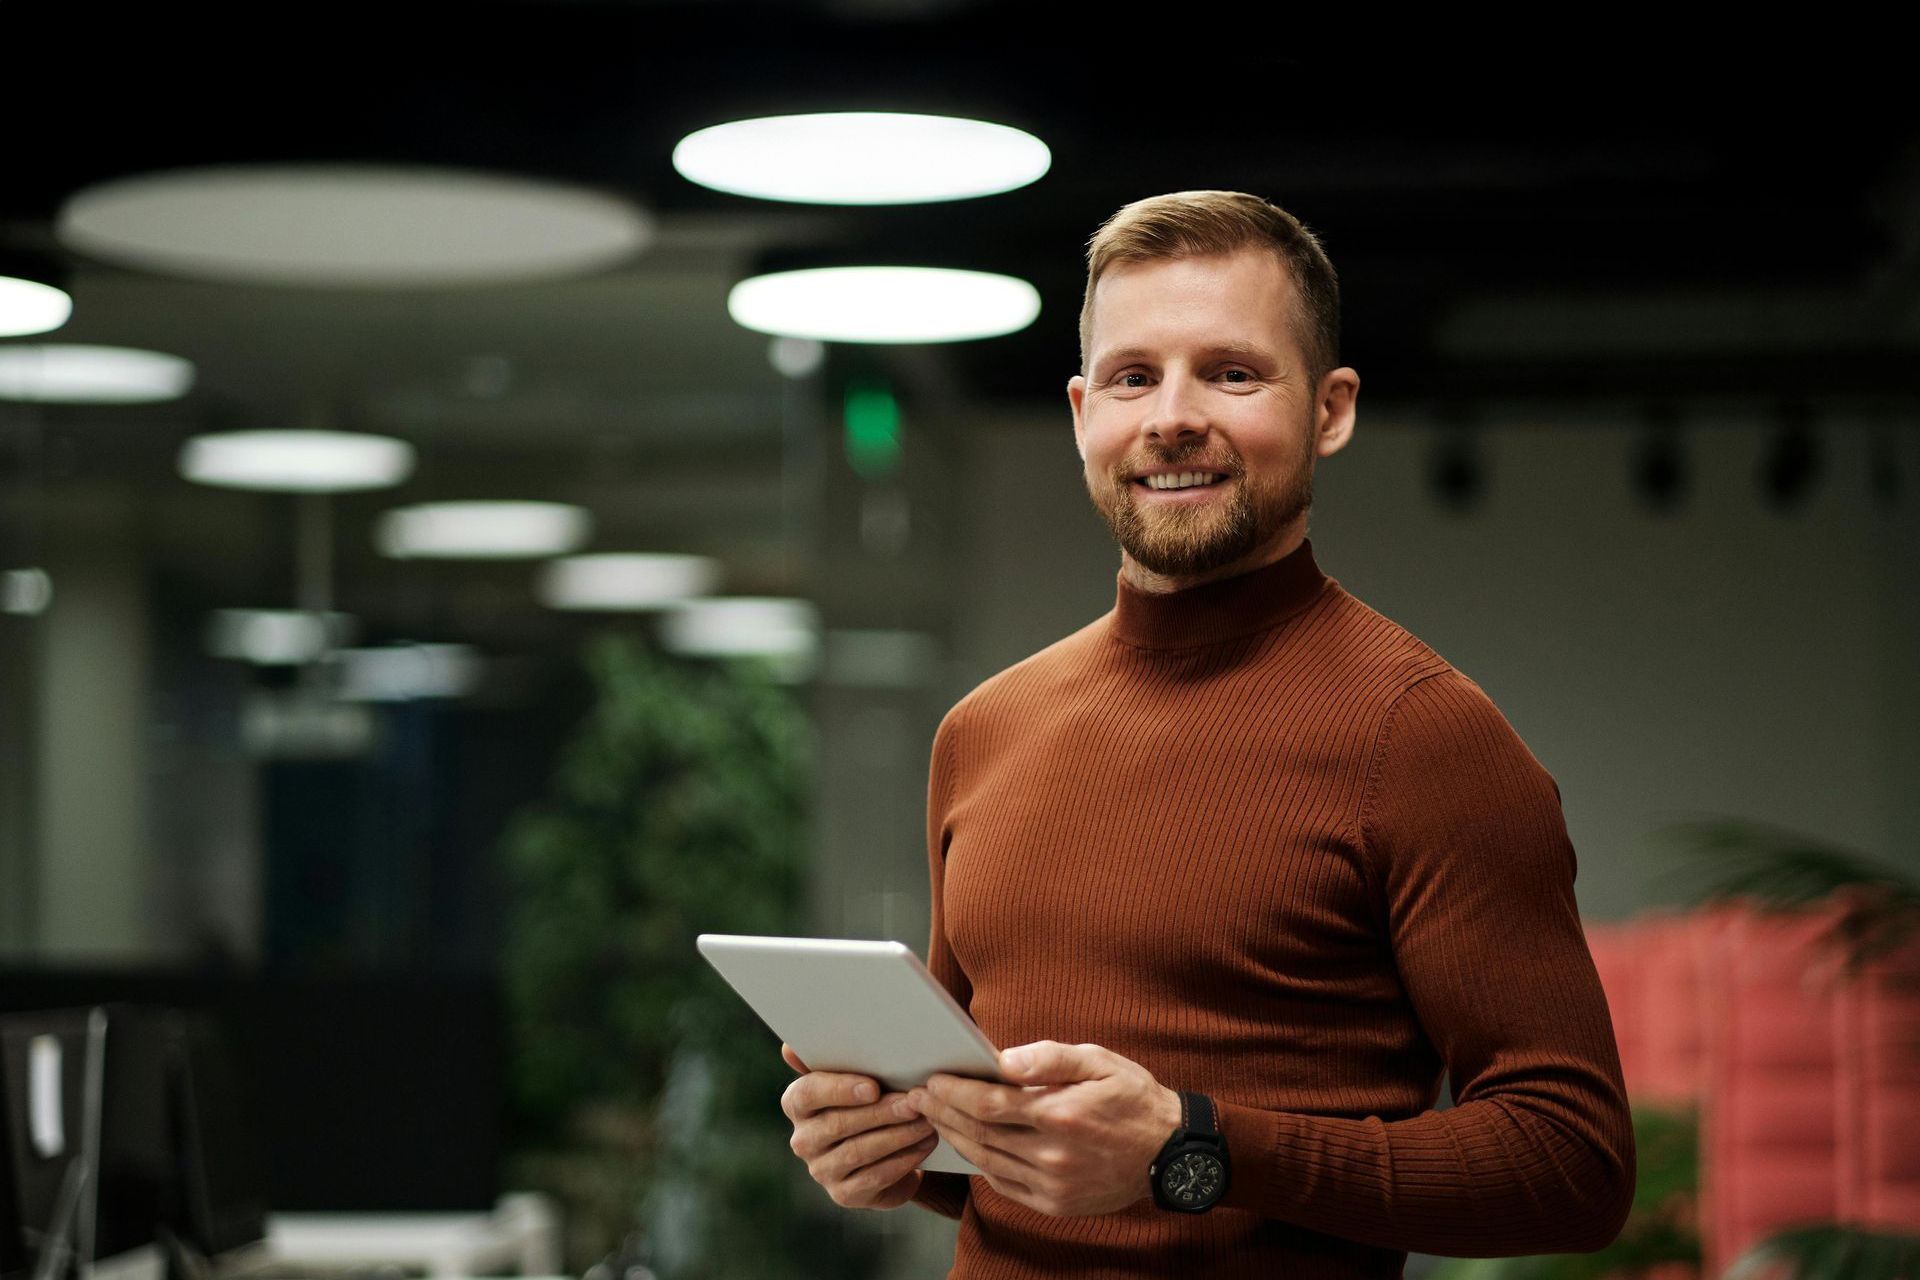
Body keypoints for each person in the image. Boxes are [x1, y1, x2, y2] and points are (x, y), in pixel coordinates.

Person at [779, 191, 1635, 1278]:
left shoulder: (1423, 736)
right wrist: (889, 1147)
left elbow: (1575, 1165)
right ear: (1084, 410)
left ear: (1330, 410)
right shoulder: (983, 729)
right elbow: (998, 1146)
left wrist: (1195, 1147)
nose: (1172, 416)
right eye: (1134, 376)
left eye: (1232, 372)